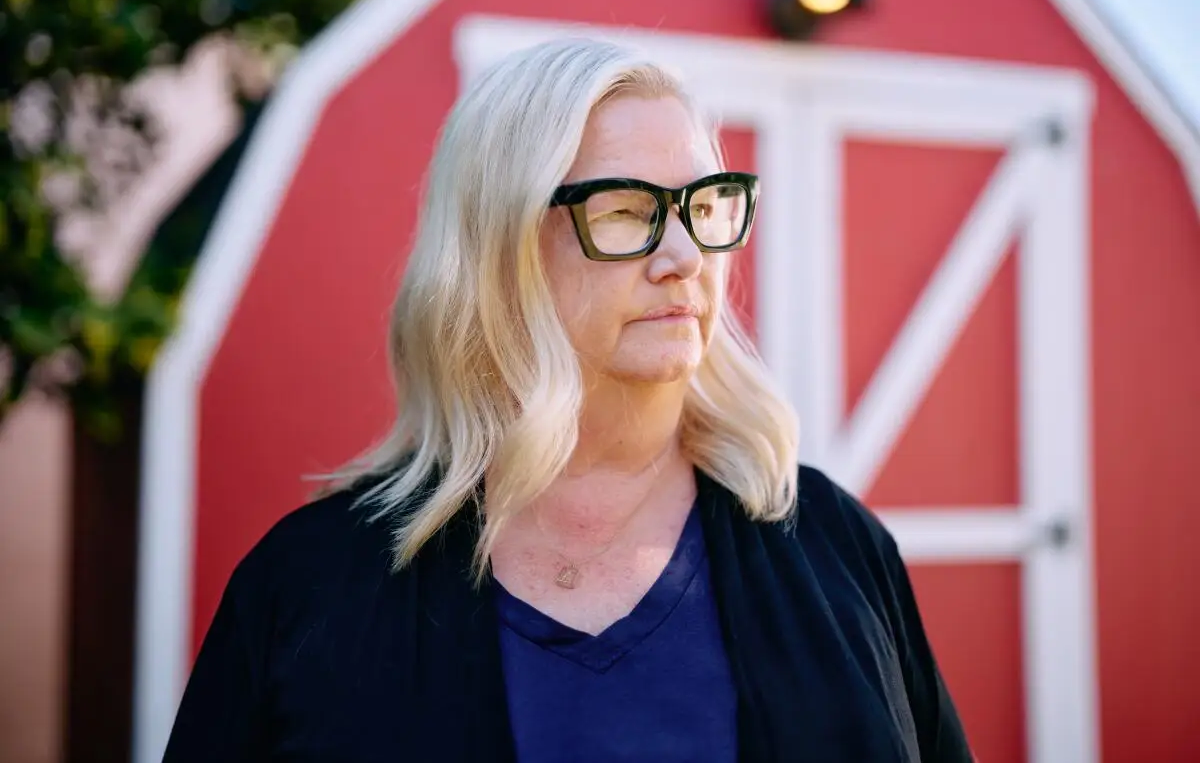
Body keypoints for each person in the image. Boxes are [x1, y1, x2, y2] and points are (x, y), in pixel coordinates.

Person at [163, 37, 974, 762]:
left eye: (703, 204)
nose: (685, 256)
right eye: (625, 212)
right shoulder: (308, 590)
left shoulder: (836, 547)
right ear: (497, 248)